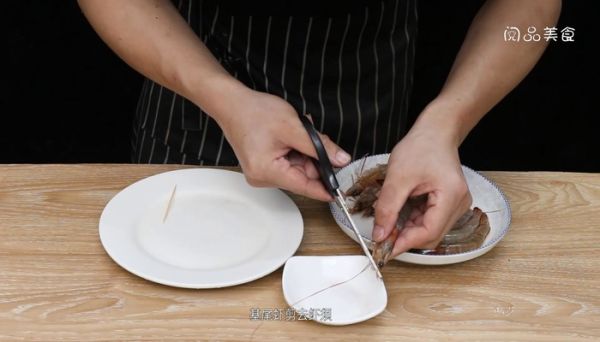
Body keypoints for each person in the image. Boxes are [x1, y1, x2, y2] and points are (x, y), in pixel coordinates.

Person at [78, 0, 560, 259]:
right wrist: (220, 95)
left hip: (374, 96)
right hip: (193, 89)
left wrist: (447, 120)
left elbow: (532, 12)